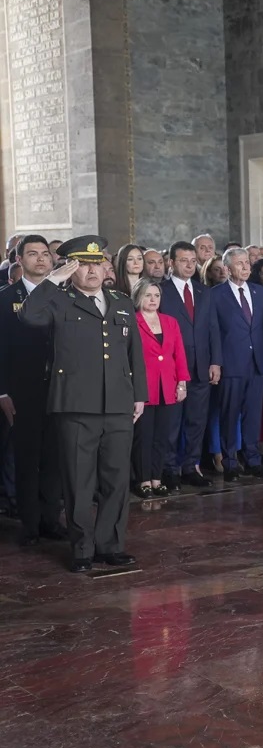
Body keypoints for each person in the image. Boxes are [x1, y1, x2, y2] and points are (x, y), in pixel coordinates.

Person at [21, 236, 150, 573]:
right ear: (71, 267)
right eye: (83, 264)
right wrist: (53, 279)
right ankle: (81, 549)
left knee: (116, 480)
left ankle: (110, 545)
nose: (92, 270)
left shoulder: (121, 302)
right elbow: (30, 317)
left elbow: (134, 352)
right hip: (76, 406)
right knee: (79, 482)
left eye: (97, 263)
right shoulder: (58, 301)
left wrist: (139, 394)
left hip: (119, 404)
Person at [0, 235, 65, 546]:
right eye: (32, 254)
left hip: (60, 389)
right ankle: (30, 525)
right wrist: (2, 393)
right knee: (27, 458)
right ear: (19, 261)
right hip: (21, 391)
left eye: (45, 254)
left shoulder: (64, 296)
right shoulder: (5, 298)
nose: (41, 259)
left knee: (54, 458)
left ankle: (51, 520)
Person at [158, 242, 222, 490]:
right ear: (171, 263)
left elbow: (213, 329)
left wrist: (216, 361)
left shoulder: (204, 291)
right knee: (173, 422)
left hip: (202, 366)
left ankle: (191, 466)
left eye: (192, 260)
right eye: (183, 260)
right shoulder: (161, 291)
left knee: (197, 420)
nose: (189, 265)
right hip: (173, 368)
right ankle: (170, 469)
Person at [211, 248, 263, 482]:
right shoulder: (215, 295)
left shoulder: (260, 292)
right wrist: (216, 362)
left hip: (257, 363)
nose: (246, 267)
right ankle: (230, 462)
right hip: (231, 364)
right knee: (229, 415)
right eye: (240, 264)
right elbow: (214, 332)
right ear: (227, 269)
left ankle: (253, 460)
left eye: (247, 263)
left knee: (253, 415)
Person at [131, 280, 189, 499]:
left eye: (156, 295)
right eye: (148, 295)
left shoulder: (170, 322)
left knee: (162, 437)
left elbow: (179, 355)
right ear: (138, 297)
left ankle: (157, 479)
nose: (153, 300)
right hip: (143, 388)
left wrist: (182, 382)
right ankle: (143, 480)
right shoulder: (132, 321)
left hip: (168, 386)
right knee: (143, 437)